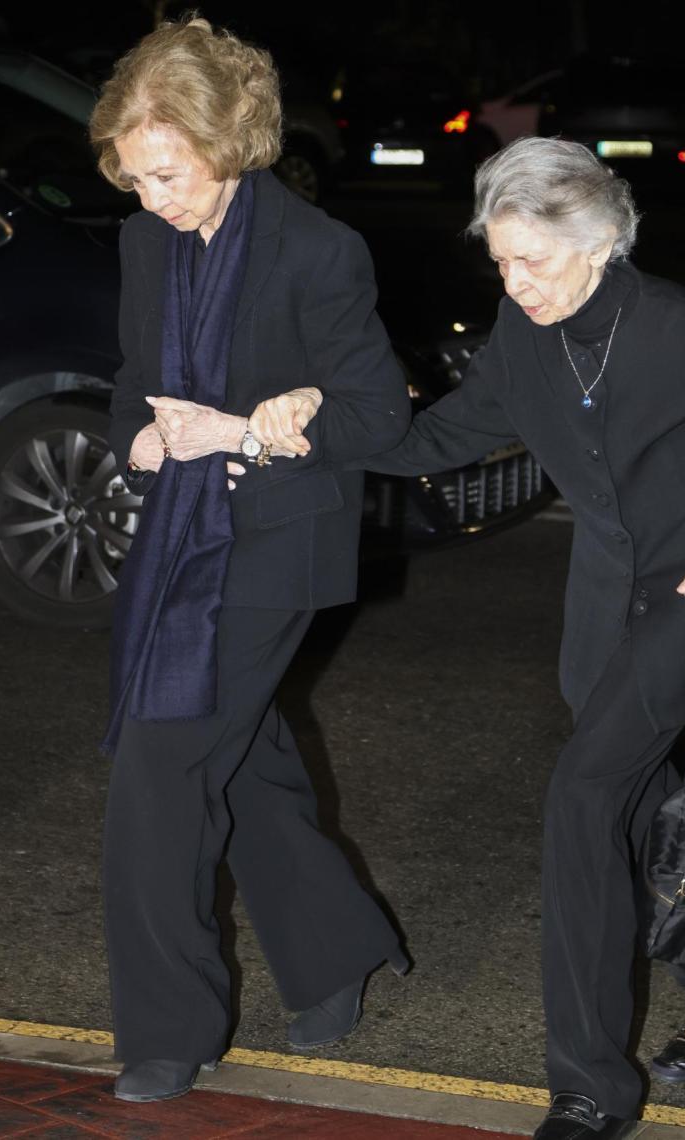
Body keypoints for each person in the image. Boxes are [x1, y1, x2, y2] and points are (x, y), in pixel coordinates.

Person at [261, 136, 685, 1139]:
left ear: (604, 241)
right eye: (501, 260)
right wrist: (323, 417)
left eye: (535, 259)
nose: (515, 282)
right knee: (647, 811)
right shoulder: (525, 333)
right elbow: (439, 437)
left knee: (581, 800)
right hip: (604, 603)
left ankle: (588, 1088)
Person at [88, 15, 411, 1104]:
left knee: (161, 761)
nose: (153, 199)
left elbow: (377, 414)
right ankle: (339, 952)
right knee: (246, 761)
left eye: (167, 174)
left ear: (229, 139)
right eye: (135, 178)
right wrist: (142, 437)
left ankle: (167, 1029)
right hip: (180, 534)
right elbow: (139, 383)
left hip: (277, 537)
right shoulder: (146, 241)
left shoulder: (319, 253)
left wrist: (249, 429)